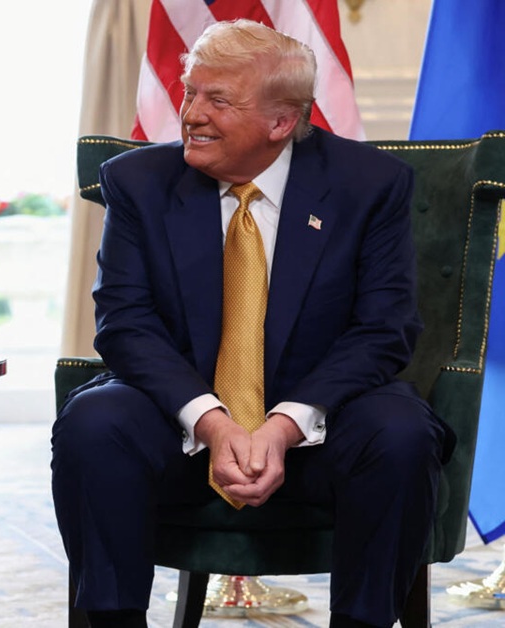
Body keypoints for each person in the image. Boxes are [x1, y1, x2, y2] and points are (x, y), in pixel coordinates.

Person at [51, 19, 453, 628]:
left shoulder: (368, 185)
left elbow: (383, 328)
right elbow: (125, 324)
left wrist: (285, 425)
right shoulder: (139, 183)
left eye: (217, 99)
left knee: (400, 433)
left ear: (281, 122)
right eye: (190, 93)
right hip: (180, 426)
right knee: (96, 420)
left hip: (320, 426)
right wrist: (212, 423)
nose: (191, 114)